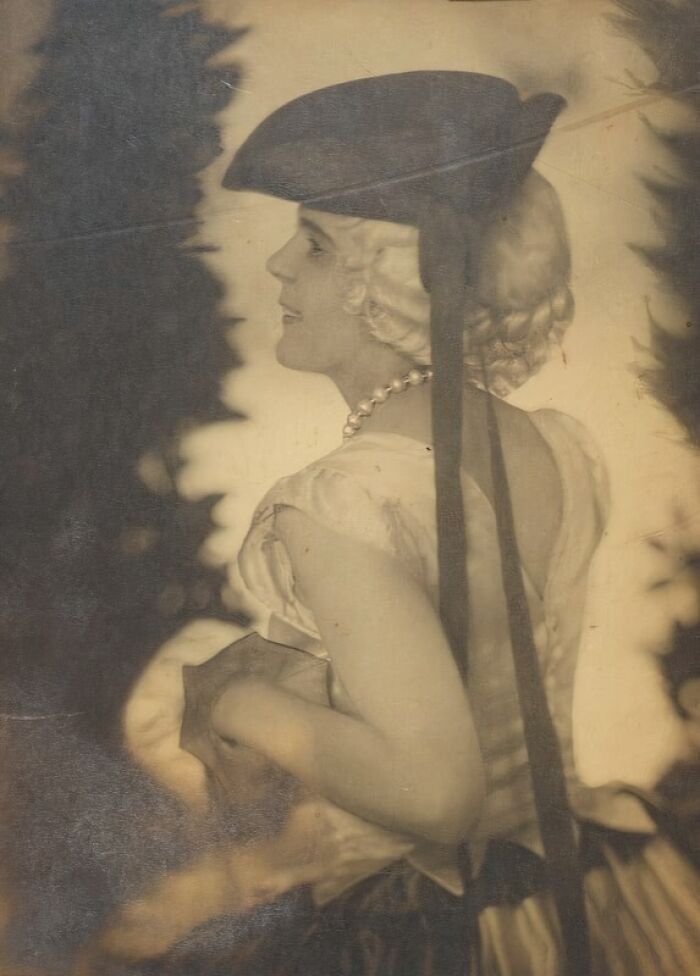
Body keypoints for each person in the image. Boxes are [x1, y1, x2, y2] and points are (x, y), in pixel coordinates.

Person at [116, 73, 700, 975]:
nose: (277, 267)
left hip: (431, 930)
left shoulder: (343, 499)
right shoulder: (556, 446)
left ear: (380, 285)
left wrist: (225, 694)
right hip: (575, 888)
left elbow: (435, 797)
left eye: (310, 244)